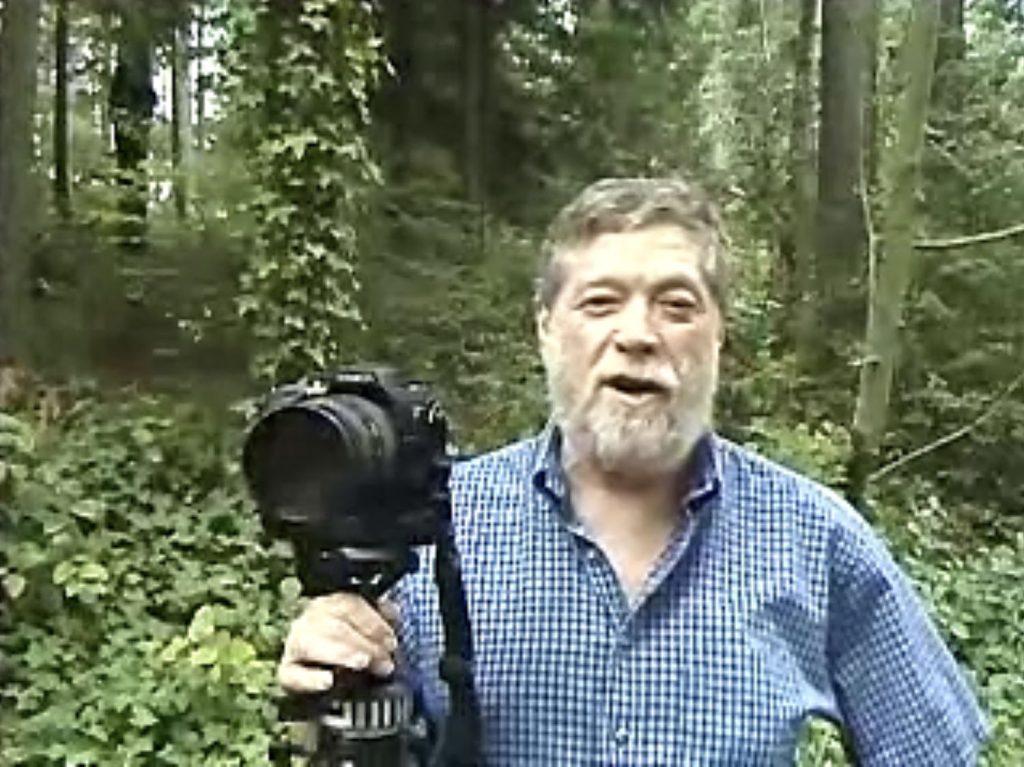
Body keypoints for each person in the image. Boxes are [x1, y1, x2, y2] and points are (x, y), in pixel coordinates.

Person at [277, 177, 989, 764]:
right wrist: (327, 690)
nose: (639, 334)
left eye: (677, 306)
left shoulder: (818, 540)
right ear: (546, 328)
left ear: (721, 336)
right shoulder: (428, 524)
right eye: (600, 301)